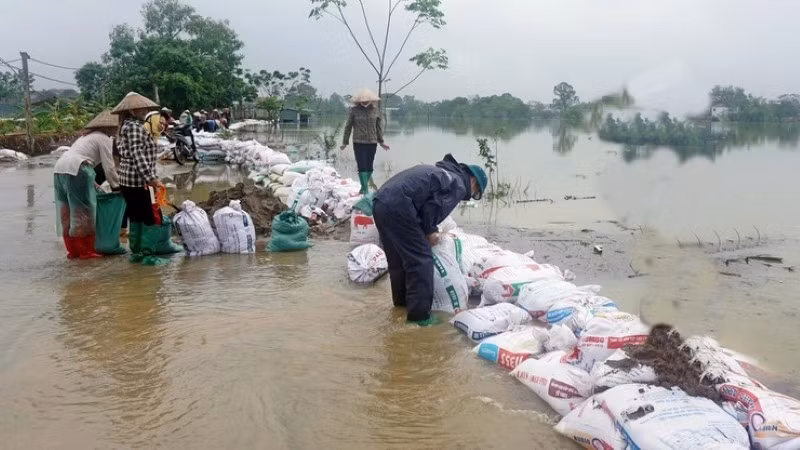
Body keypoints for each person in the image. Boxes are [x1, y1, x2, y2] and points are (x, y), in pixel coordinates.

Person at [372, 153, 488, 326]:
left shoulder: (442, 173)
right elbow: (432, 210)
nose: (470, 196)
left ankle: (401, 307)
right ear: (473, 182)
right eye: (476, 193)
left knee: (398, 261)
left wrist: (426, 229)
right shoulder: (458, 184)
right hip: (400, 207)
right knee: (421, 262)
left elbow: (423, 203)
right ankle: (419, 318)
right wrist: (430, 232)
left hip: (380, 203)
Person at [112, 92, 173, 263]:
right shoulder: (133, 127)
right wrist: (151, 178)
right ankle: (147, 255)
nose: (143, 110)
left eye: (145, 108)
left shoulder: (132, 125)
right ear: (131, 110)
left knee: (137, 216)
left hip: (130, 180)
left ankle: (137, 253)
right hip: (138, 181)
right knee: (150, 216)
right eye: (140, 108)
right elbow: (137, 153)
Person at [53, 110, 121, 259]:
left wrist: (94, 182)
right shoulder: (104, 139)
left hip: (59, 169)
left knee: (67, 212)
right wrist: (116, 186)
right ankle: (86, 252)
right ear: (110, 128)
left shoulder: (86, 137)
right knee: (83, 212)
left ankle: (73, 251)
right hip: (78, 168)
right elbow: (109, 167)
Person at [340, 88, 390, 194]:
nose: (364, 102)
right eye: (362, 100)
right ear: (358, 100)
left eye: (367, 100)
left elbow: (378, 128)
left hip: (372, 142)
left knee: (370, 167)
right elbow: (348, 127)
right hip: (358, 142)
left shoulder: (376, 111)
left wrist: (381, 142)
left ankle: (363, 188)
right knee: (362, 166)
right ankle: (366, 190)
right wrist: (345, 142)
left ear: (371, 100)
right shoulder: (354, 111)